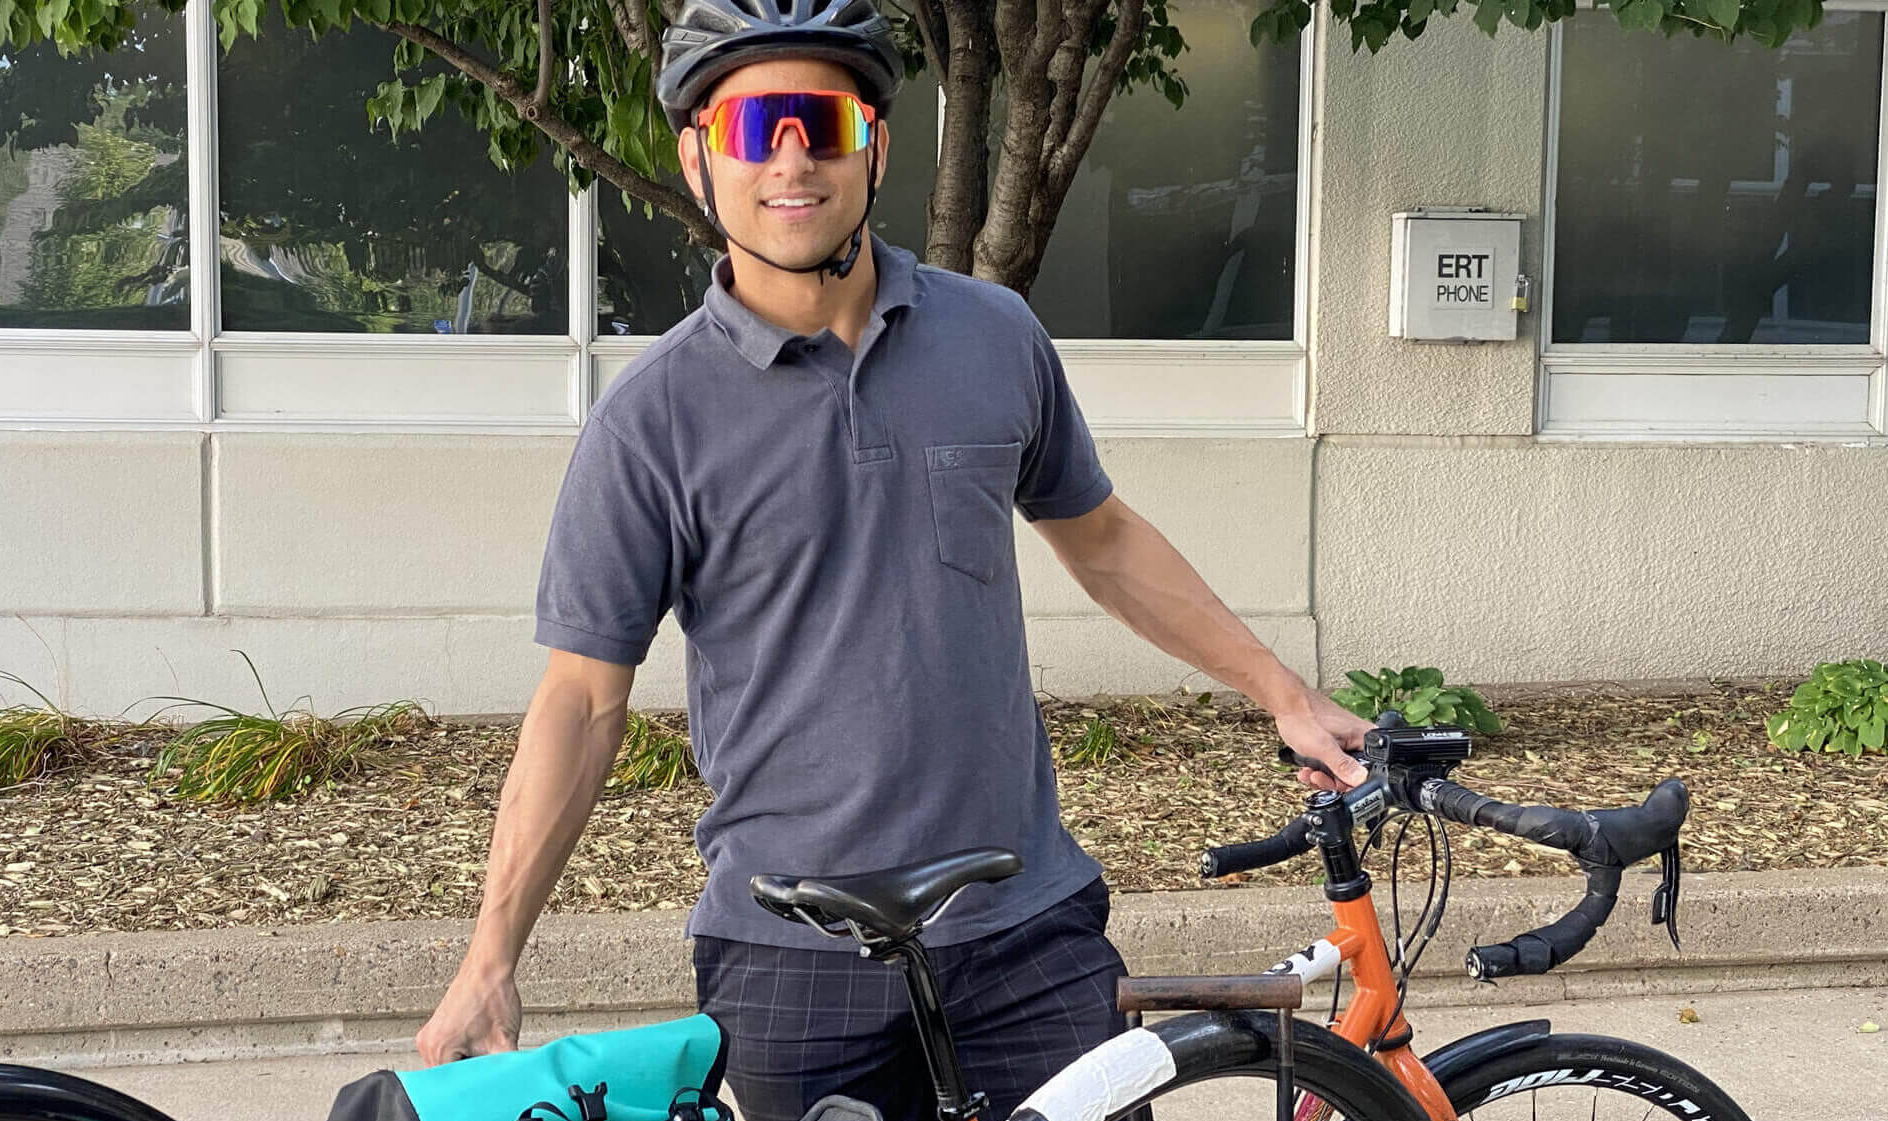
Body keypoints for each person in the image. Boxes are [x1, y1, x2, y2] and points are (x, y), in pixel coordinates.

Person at [413, 0, 1372, 1116]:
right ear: (696, 156)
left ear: (873, 147)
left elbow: (1102, 539)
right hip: (789, 950)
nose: (790, 160)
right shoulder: (652, 420)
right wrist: (491, 954)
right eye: (753, 125)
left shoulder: (994, 335)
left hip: (1023, 928)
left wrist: (1282, 691)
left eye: (820, 123)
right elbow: (581, 699)